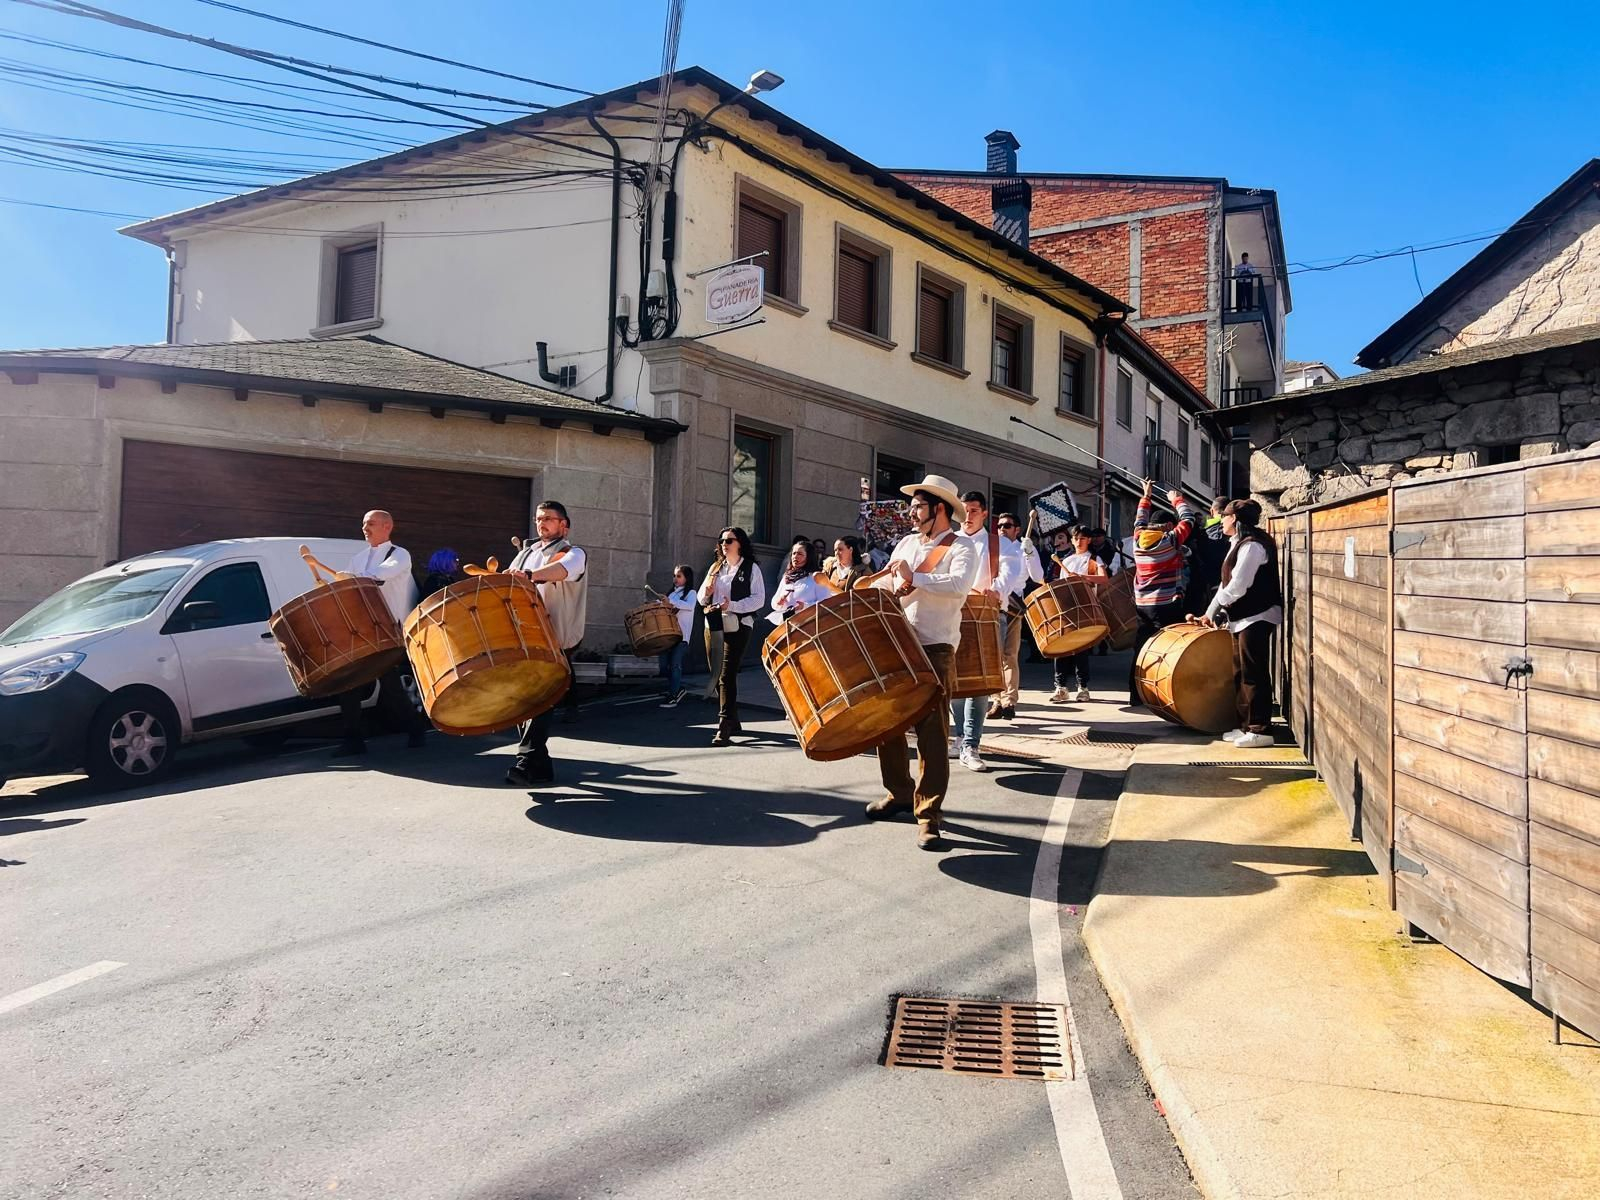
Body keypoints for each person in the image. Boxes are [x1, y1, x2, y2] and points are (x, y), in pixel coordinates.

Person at [864, 474, 978, 851]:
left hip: (936, 646)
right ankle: (899, 793)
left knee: (932, 734)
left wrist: (918, 578)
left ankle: (928, 816)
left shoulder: (963, 547)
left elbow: (959, 586)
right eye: (911, 507)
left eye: (918, 507)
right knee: (888, 724)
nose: (911, 514)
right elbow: (888, 584)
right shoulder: (908, 543)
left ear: (939, 509)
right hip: (898, 642)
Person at [504, 500, 587, 786]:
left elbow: (563, 571)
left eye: (549, 519)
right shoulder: (525, 554)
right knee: (522, 699)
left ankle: (526, 761)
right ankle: (541, 766)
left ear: (564, 525)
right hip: (524, 635)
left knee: (540, 698)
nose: (543, 523)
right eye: (539, 519)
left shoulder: (574, 553)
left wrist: (529, 576)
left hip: (555, 636)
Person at [335, 509, 430, 757]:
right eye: (364, 523)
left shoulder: (399, 555)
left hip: (391, 629)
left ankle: (412, 728)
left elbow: (379, 576)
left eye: (371, 523)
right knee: (353, 680)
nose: (365, 528)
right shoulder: (358, 558)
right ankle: (357, 738)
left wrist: (352, 578)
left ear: (388, 526)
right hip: (366, 628)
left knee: (387, 684)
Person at [1195, 499, 1283, 749]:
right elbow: (1226, 584)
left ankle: (1260, 729)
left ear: (1234, 519)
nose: (1221, 520)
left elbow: (1238, 586)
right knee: (1240, 672)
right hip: (1242, 618)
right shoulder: (1238, 543)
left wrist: (1220, 607)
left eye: (1224, 516)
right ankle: (1245, 726)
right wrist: (1210, 613)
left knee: (1253, 673)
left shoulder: (1253, 546)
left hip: (1257, 616)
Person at [949, 490, 1016, 773]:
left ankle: (971, 744)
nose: (968, 516)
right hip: (952, 615)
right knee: (954, 681)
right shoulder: (951, 541)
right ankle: (961, 736)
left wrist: (996, 589)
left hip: (985, 616)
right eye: (964, 511)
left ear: (985, 513)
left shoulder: (998, 543)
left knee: (979, 681)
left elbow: (1012, 572)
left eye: (974, 510)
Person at [1129, 479, 1199, 705]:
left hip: (1142, 604)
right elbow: (1188, 520)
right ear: (1167, 527)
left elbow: (1139, 519)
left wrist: (1146, 495)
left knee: (1141, 647)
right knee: (1168, 648)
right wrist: (1176, 499)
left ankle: (1135, 695)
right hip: (1167, 602)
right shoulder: (1169, 541)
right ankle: (1164, 692)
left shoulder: (1138, 539)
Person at [698, 527, 766, 746]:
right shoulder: (715, 567)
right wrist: (707, 593)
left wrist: (733, 605)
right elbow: (701, 599)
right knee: (715, 674)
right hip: (714, 624)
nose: (724, 544)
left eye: (729, 540)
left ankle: (724, 724)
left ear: (740, 544)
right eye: (721, 541)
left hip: (738, 625)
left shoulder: (751, 568)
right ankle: (733, 717)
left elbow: (759, 600)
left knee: (726, 675)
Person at [987, 511, 1040, 720]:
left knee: (1009, 655)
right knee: (993, 657)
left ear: (1017, 529)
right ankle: (997, 701)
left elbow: (1038, 576)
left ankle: (1009, 701)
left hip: (1013, 607)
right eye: (999, 526)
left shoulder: (1023, 547)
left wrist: (1029, 553)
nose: (1002, 529)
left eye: (1007, 526)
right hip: (991, 605)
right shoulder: (992, 546)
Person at [1049, 526, 1111, 703]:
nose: (1079, 541)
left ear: (1089, 540)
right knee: (1061, 647)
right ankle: (1060, 687)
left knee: (1081, 649)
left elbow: (1104, 579)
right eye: (1076, 538)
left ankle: (1083, 688)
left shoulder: (1094, 559)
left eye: (1083, 538)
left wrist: (1083, 577)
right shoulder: (1066, 561)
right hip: (1067, 606)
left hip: (1085, 606)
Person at [658, 564, 697, 708]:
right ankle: (677, 688)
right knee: (663, 666)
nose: (675, 578)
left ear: (687, 578)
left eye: (679, 576)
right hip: (668, 635)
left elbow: (690, 606)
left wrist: (671, 602)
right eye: (674, 576)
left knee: (675, 666)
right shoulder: (672, 593)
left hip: (681, 637)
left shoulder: (691, 593)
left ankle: (673, 695)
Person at [770, 536, 831, 622]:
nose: (795, 557)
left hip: (809, 625)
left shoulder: (817, 577)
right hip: (786, 624)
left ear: (809, 557)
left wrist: (805, 606)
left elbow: (827, 603)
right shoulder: (787, 576)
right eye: (794, 553)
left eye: (800, 554)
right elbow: (774, 603)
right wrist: (779, 602)